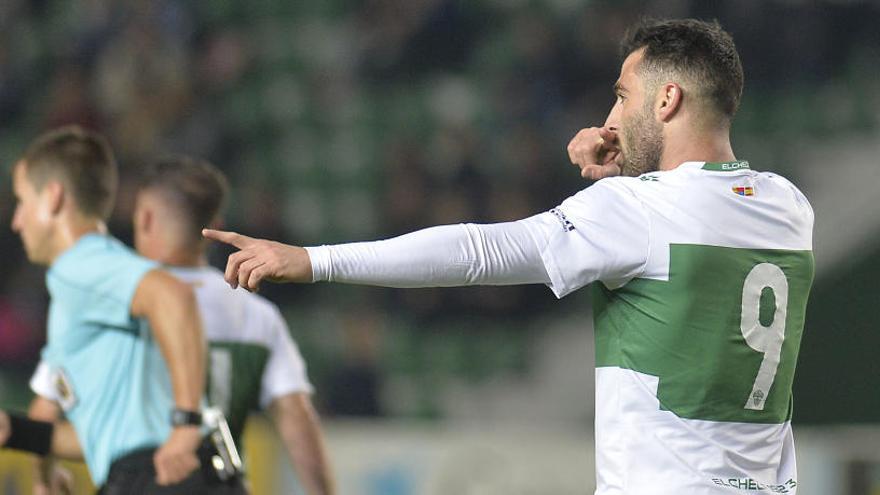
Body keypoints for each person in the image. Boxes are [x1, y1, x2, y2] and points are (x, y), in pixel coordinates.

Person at [204, 18, 815, 495]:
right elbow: (699, 210)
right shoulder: (788, 206)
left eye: (623, 97)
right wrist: (621, 178)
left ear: (667, 100)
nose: (609, 118)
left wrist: (315, 259)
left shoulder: (636, 210)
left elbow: (479, 251)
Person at [8, 126, 244, 494]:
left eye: (22, 201)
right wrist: (35, 460)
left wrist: (185, 425)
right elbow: (96, 428)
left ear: (53, 198)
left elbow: (174, 296)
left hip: (156, 478)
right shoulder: (98, 291)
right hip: (194, 473)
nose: (16, 220)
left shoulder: (80, 268)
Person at [131, 156, 334, 494]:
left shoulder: (120, 299)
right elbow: (295, 417)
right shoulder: (256, 313)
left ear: (146, 218)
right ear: (216, 226)